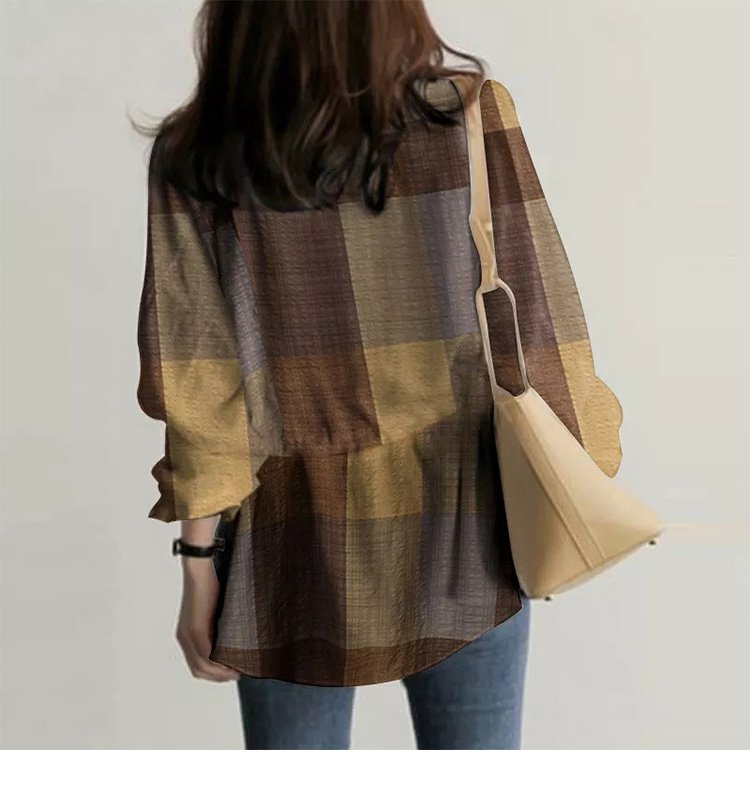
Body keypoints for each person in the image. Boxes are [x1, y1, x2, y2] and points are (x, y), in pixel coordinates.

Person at [135, 0, 622, 751]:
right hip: (465, 523)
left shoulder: (199, 153)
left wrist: (199, 563)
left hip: (289, 537)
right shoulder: (464, 114)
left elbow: (201, 387)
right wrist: (583, 465)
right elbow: (538, 315)